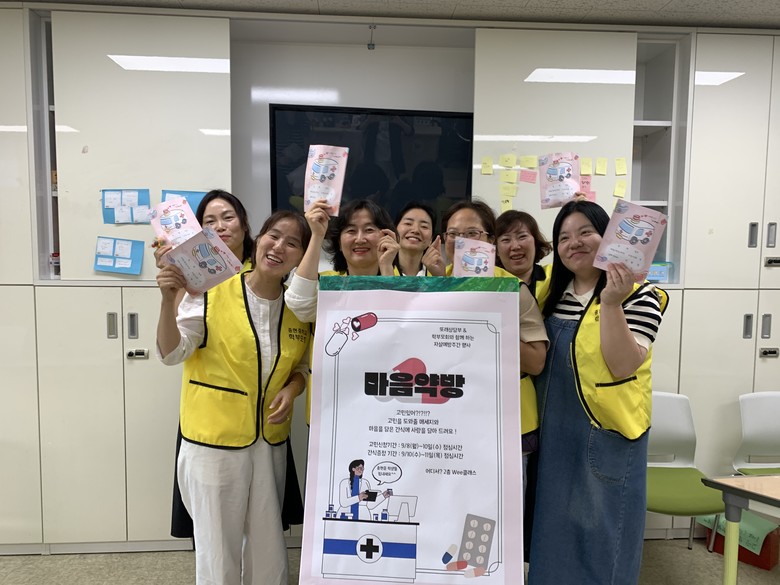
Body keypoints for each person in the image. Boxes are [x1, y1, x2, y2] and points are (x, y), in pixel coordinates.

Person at [156, 209, 312, 585]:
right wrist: (167, 300)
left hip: (268, 444)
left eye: (293, 243)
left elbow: (301, 368)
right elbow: (172, 353)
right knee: (218, 548)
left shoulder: (298, 309)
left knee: (267, 545)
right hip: (214, 444)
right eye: (274, 236)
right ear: (258, 240)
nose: (280, 247)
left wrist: (292, 389)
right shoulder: (212, 290)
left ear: (301, 256)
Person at [528, 200, 667, 585]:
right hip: (554, 436)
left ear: (608, 236)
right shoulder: (550, 292)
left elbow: (623, 364)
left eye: (585, 232)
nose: (574, 243)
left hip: (605, 437)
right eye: (563, 237)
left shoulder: (641, 295)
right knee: (553, 538)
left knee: (602, 542)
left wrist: (611, 302)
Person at [154, 190, 255, 541]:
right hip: (211, 421)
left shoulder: (265, 271)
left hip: (262, 420)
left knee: (259, 524)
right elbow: (173, 350)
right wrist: (171, 291)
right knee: (215, 524)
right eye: (209, 221)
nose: (220, 226)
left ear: (244, 224)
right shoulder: (195, 280)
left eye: (228, 217)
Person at [494, 208, 553, 563]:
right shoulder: (483, 283)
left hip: (552, 396)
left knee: (539, 494)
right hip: (508, 403)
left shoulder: (555, 280)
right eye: (505, 239)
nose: (514, 246)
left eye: (522, 236)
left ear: (536, 241)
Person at [285, 198, 399, 323]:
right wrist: (317, 235)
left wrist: (386, 267)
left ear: (386, 236)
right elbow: (300, 305)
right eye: (351, 231)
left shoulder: (404, 283)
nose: (360, 239)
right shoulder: (326, 284)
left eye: (369, 230)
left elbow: (398, 320)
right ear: (339, 242)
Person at [392, 201, 445, 276]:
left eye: (424, 226)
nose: (416, 230)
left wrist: (440, 277)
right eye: (408, 223)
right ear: (395, 230)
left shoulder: (440, 274)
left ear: (431, 239)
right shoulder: (382, 269)